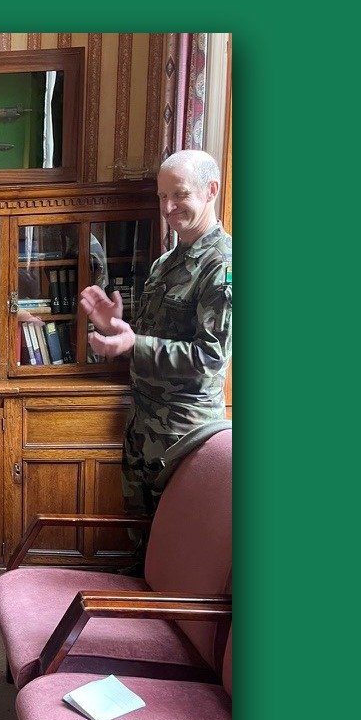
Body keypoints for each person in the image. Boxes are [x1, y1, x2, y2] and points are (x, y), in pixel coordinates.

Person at [79, 148, 233, 516]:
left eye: (179, 194)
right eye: (162, 196)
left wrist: (134, 344)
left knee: (180, 553)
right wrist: (116, 327)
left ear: (210, 190)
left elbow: (209, 359)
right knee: (142, 547)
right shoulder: (166, 263)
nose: (167, 208)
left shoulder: (223, 266)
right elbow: (153, 338)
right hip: (143, 427)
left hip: (184, 434)